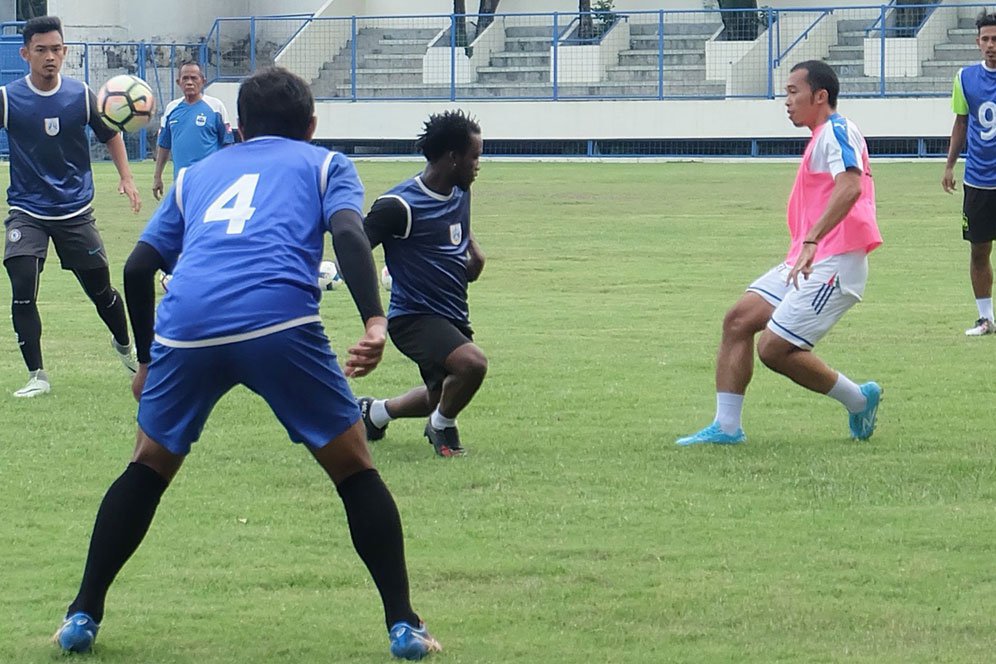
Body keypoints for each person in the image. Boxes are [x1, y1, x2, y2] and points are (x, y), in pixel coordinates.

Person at [53, 67, 441, 661]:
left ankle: (81, 614)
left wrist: (151, 356)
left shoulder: (200, 174)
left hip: (187, 325)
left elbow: (136, 268)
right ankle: (404, 626)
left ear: (237, 130)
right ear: (311, 127)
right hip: (279, 323)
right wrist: (374, 319)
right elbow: (349, 234)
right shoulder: (325, 164)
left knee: (147, 467)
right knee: (355, 470)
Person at [676, 60, 883, 446]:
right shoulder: (822, 135)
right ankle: (726, 427)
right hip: (809, 259)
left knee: (774, 349)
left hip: (836, 262)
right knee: (738, 320)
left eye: (792, 92)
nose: (786, 101)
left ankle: (858, 399)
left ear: (819, 96)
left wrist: (812, 240)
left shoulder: (837, 131)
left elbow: (850, 186)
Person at [1, 15, 140, 398]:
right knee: (23, 284)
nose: (50, 57)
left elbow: (110, 135)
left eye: (57, 49)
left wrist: (127, 178)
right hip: (27, 210)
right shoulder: (8, 97)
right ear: (25, 53)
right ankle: (37, 376)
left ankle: (124, 344)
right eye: (42, 50)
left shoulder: (81, 95)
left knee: (102, 292)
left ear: (64, 52)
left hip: (75, 210)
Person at [357, 110, 487, 458]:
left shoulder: (460, 190)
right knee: (472, 364)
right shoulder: (398, 205)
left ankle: (375, 413)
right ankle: (441, 427)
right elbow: (355, 248)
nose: (478, 164)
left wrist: (475, 255)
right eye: (474, 156)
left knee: (440, 393)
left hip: (452, 311)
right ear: (452, 157)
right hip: (413, 316)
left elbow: (461, 227)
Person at [942, 12, 996, 336]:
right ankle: (985, 318)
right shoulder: (964, 78)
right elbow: (961, 124)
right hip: (978, 179)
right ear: (978, 43)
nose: (991, 45)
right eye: (986, 39)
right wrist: (949, 165)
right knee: (979, 249)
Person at [152, 61, 234, 201]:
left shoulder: (215, 107)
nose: (189, 82)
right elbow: (164, 146)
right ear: (179, 82)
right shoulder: (172, 109)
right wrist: (157, 177)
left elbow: (228, 145)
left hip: (210, 181)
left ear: (203, 81)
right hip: (181, 182)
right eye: (185, 78)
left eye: (194, 78)